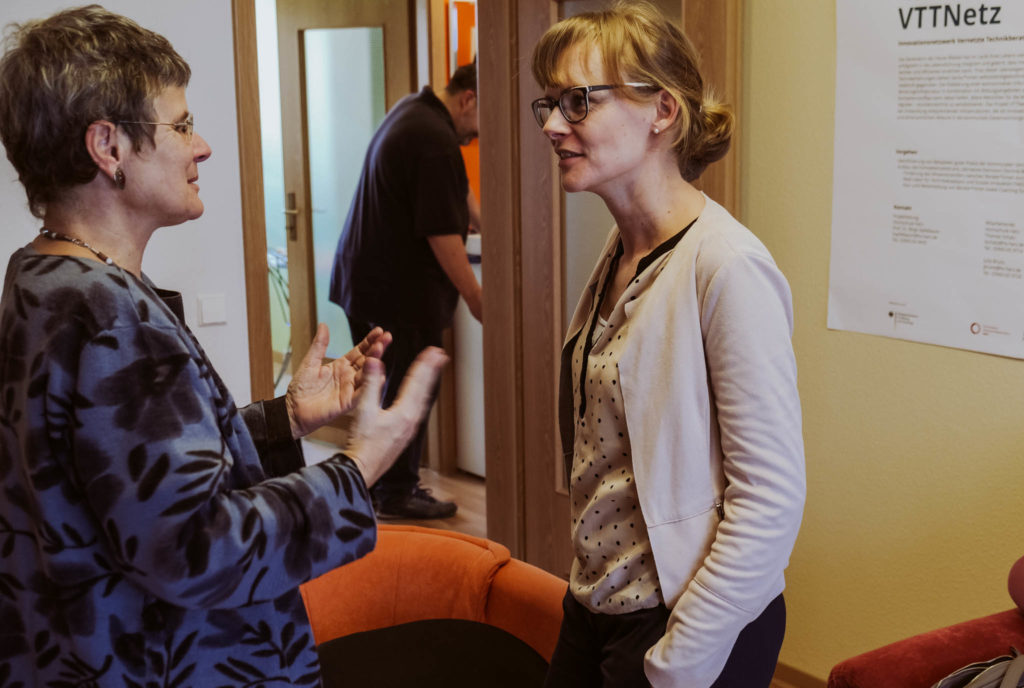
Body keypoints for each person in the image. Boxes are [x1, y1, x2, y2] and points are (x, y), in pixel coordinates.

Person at [0, 6, 446, 686]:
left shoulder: (41, 274)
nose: (201, 145)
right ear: (107, 147)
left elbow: (129, 479)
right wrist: (365, 461)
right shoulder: (108, 313)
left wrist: (283, 420)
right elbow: (195, 550)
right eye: (180, 126)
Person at [530, 3, 807, 687]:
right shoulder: (622, 251)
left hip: (686, 618)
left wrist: (681, 659)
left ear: (662, 111)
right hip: (596, 599)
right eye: (550, 102)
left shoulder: (727, 267)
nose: (551, 125)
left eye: (578, 101)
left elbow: (770, 501)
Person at [328, 61, 481, 520]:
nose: (481, 132)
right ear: (469, 100)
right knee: (411, 385)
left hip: (367, 278)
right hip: (396, 288)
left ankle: (378, 485)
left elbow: (455, 196)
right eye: (484, 118)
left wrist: (488, 224)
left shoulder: (414, 110)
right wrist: (477, 298)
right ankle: (394, 491)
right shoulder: (433, 138)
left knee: (391, 381)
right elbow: (441, 232)